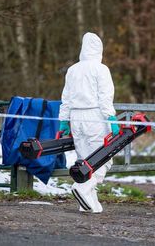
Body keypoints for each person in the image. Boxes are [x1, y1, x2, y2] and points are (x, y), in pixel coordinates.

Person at [59, 32, 119, 213]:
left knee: (84, 160)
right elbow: (105, 98)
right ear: (99, 49)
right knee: (103, 159)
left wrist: (63, 121)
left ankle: (88, 204)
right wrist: (112, 119)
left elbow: (66, 99)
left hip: (76, 119)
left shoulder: (73, 70)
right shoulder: (101, 69)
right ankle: (83, 189)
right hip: (95, 117)